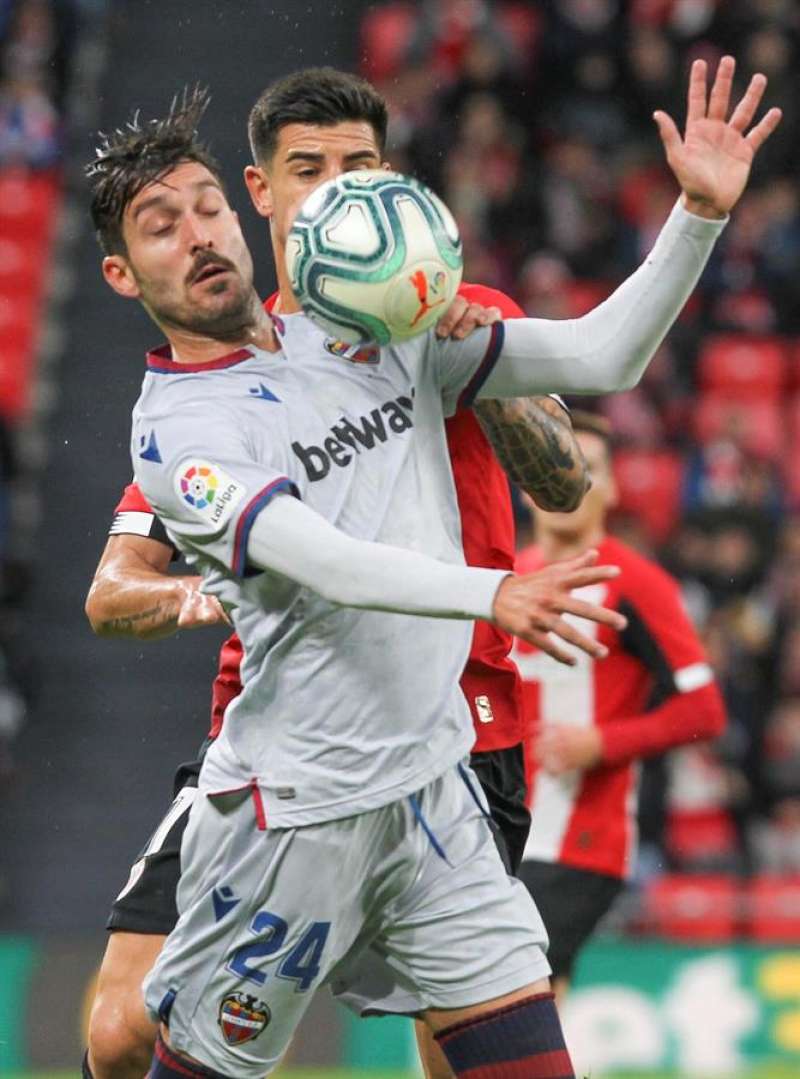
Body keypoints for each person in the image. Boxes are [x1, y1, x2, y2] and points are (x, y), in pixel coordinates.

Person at [88, 52, 776, 1078]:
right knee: (142, 1042)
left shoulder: (385, 327)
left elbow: (602, 358)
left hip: (437, 785)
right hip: (297, 807)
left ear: (236, 213)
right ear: (124, 273)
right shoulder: (180, 431)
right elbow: (323, 562)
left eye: (203, 211)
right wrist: (493, 592)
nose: (197, 237)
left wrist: (697, 216)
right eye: (161, 227)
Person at [513, 412, 727, 1002]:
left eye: (587, 470)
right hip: (496, 831)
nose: (569, 481)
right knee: (459, 1005)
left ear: (610, 490)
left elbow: (704, 710)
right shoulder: (504, 582)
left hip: (579, 837)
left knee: (508, 996)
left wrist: (600, 743)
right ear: (527, 486)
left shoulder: (638, 584)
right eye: (554, 464)